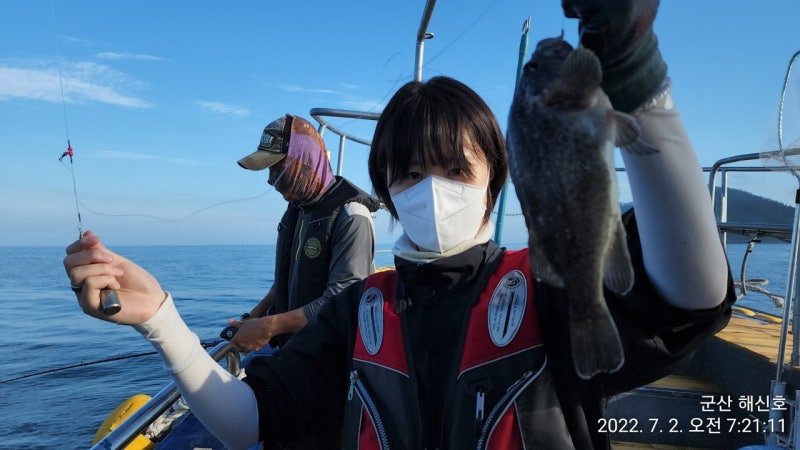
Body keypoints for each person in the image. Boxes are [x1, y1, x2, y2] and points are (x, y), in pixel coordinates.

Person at [65, 1, 735, 448]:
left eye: (455, 169)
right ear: (387, 186)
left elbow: (693, 294)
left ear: (496, 179)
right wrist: (162, 321)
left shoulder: (550, 288)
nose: (431, 190)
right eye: (409, 175)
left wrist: (636, 75)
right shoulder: (357, 314)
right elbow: (248, 423)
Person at [230, 113, 379, 352]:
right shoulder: (298, 211)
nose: (271, 180)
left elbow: (343, 300)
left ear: (302, 160)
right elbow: (286, 279)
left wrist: (269, 326)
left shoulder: (352, 216)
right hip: (295, 348)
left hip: (330, 356)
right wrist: (256, 315)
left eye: (277, 168)